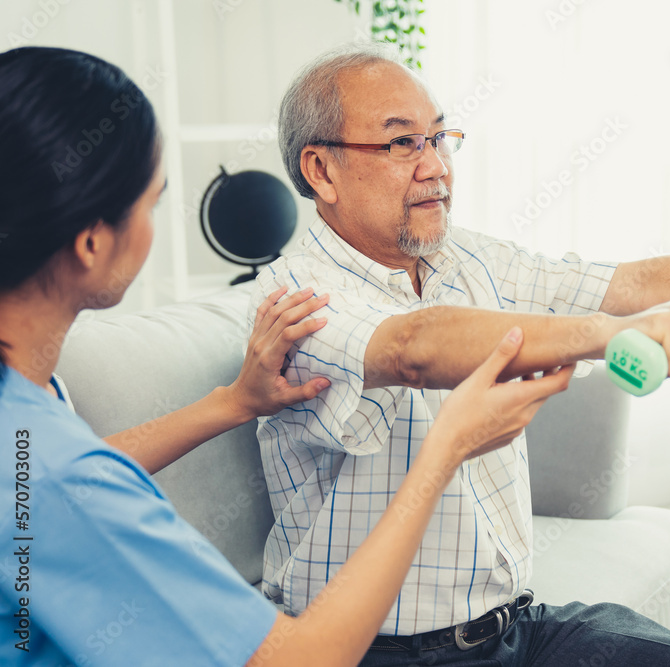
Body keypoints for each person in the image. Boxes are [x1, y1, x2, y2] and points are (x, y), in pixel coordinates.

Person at [254, 42, 670, 666]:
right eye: (403, 143)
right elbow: (415, 347)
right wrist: (613, 334)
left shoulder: (465, 258)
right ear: (322, 169)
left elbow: (633, 283)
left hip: (515, 627)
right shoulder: (294, 301)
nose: (435, 165)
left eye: (438, 137)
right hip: (382, 652)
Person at [0, 46, 573, 666]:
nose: (430, 163)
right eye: (153, 202)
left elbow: (42, 487)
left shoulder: (28, 406)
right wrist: (445, 450)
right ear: (90, 240)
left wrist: (233, 403)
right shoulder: (55, 473)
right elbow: (299, 661)